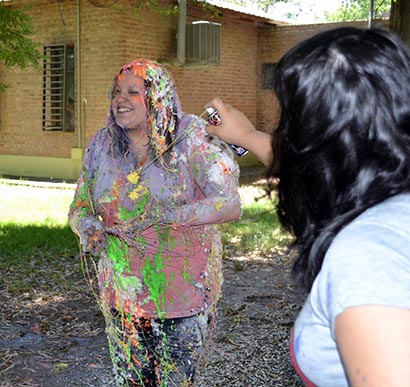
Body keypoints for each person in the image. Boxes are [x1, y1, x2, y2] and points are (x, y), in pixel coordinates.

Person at [206, 27, 410, 386]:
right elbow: (327, 169)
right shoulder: (390, 186)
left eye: (292, 118)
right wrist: (246, 136)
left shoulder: (367, 257)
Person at [68, 59, 241, 387]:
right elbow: (79, 206)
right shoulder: (102, 146)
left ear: (157, 98)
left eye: (133, 92)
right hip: (122, 299)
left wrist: (167, 217)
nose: (120, 99)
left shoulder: (190, 136)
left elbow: (229, 202)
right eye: (116, 92)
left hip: (182, 300)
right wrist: (88, 227)